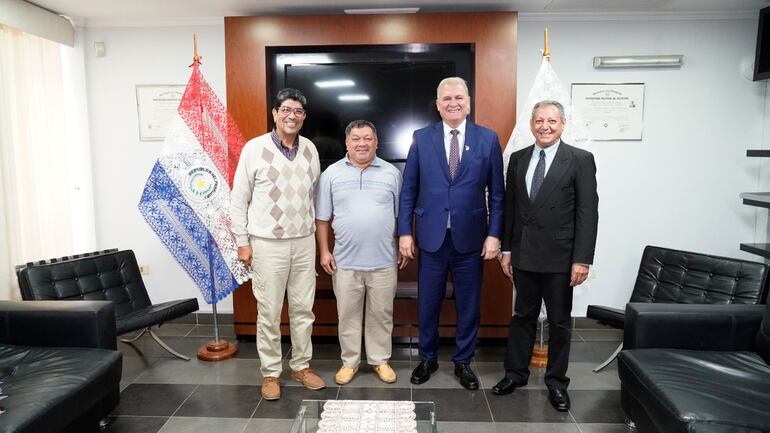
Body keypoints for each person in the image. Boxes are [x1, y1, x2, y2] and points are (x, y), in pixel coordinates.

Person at [398, 77, 505, 390]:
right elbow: (409, 190)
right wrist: (405, 232)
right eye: (446, 98)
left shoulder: (487, 139)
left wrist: (494, 235)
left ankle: (463, 361)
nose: (453, 103)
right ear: (437, 103)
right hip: (430, 238)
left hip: (472, 238)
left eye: (459, 97)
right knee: (427, 303)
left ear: (469, 102)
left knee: (469, 304)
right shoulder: (421, 137)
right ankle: (428, 357)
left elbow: (497, 193)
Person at [493, 100, 599, 412]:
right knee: (522, 317)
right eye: (539, 121)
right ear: (531, 124)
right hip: (524, 255)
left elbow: (587, 213)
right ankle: (515, 374)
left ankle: (556, 383)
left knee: (560, 322)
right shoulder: (518, 158)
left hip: (560, 258)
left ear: (563, 124)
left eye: (552, 121)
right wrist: (507, 250)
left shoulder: (579, 159)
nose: (545, 126)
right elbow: (512, 208)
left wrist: (582, 259)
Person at [230, 88, 324, 401]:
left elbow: (311, 195)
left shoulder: (310, 149)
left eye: (298, 111)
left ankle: (301, 366)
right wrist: (242, 242)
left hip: (303, 242)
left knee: (303, 310)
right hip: (267, 243)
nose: (292, 115)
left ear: (304, 116)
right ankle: (271, 373)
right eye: (286, 109)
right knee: (268, 312)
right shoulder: (254, 149)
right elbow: (238, 199)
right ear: (275, 113)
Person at [315, 119, 407, 385]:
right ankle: (350, 362)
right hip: (344, 262)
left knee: (381, 314)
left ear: (376, 142)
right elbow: (322, 219)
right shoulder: (331, 174)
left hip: (384, 260)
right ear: (347, 142)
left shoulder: (392, 173)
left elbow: (402, 217)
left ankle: (380, 360)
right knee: (347, 316)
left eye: (368, 138)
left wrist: (402, 243)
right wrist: (324, 251)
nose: (362, 143)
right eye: (356, 138)